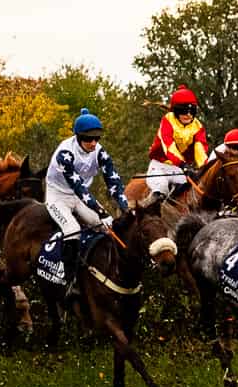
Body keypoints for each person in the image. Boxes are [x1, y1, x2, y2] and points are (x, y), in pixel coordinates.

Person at [47, 109, 130, 285]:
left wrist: (125, 207)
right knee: (72, 230)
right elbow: (78, 187)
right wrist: (101, 211)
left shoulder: (100, 152)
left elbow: (113, 181)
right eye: (88, 139)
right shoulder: (65, 154)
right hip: (58, 196)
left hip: (80, 197)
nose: (93, 143)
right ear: (77, 137)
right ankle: (69, 281)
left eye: (97, 138)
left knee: (107, 229)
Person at [147, 86, 209, 196]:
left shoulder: (198, 126)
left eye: (192, 111)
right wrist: (182, 164)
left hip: (179, 169)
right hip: (160, 165)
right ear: (175, 111)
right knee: (160, 188)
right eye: (184, 111)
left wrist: (204, 168)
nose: (188, 115)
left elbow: (200, 150)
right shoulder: (167, 120)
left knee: (189, 190)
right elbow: (169, 147)